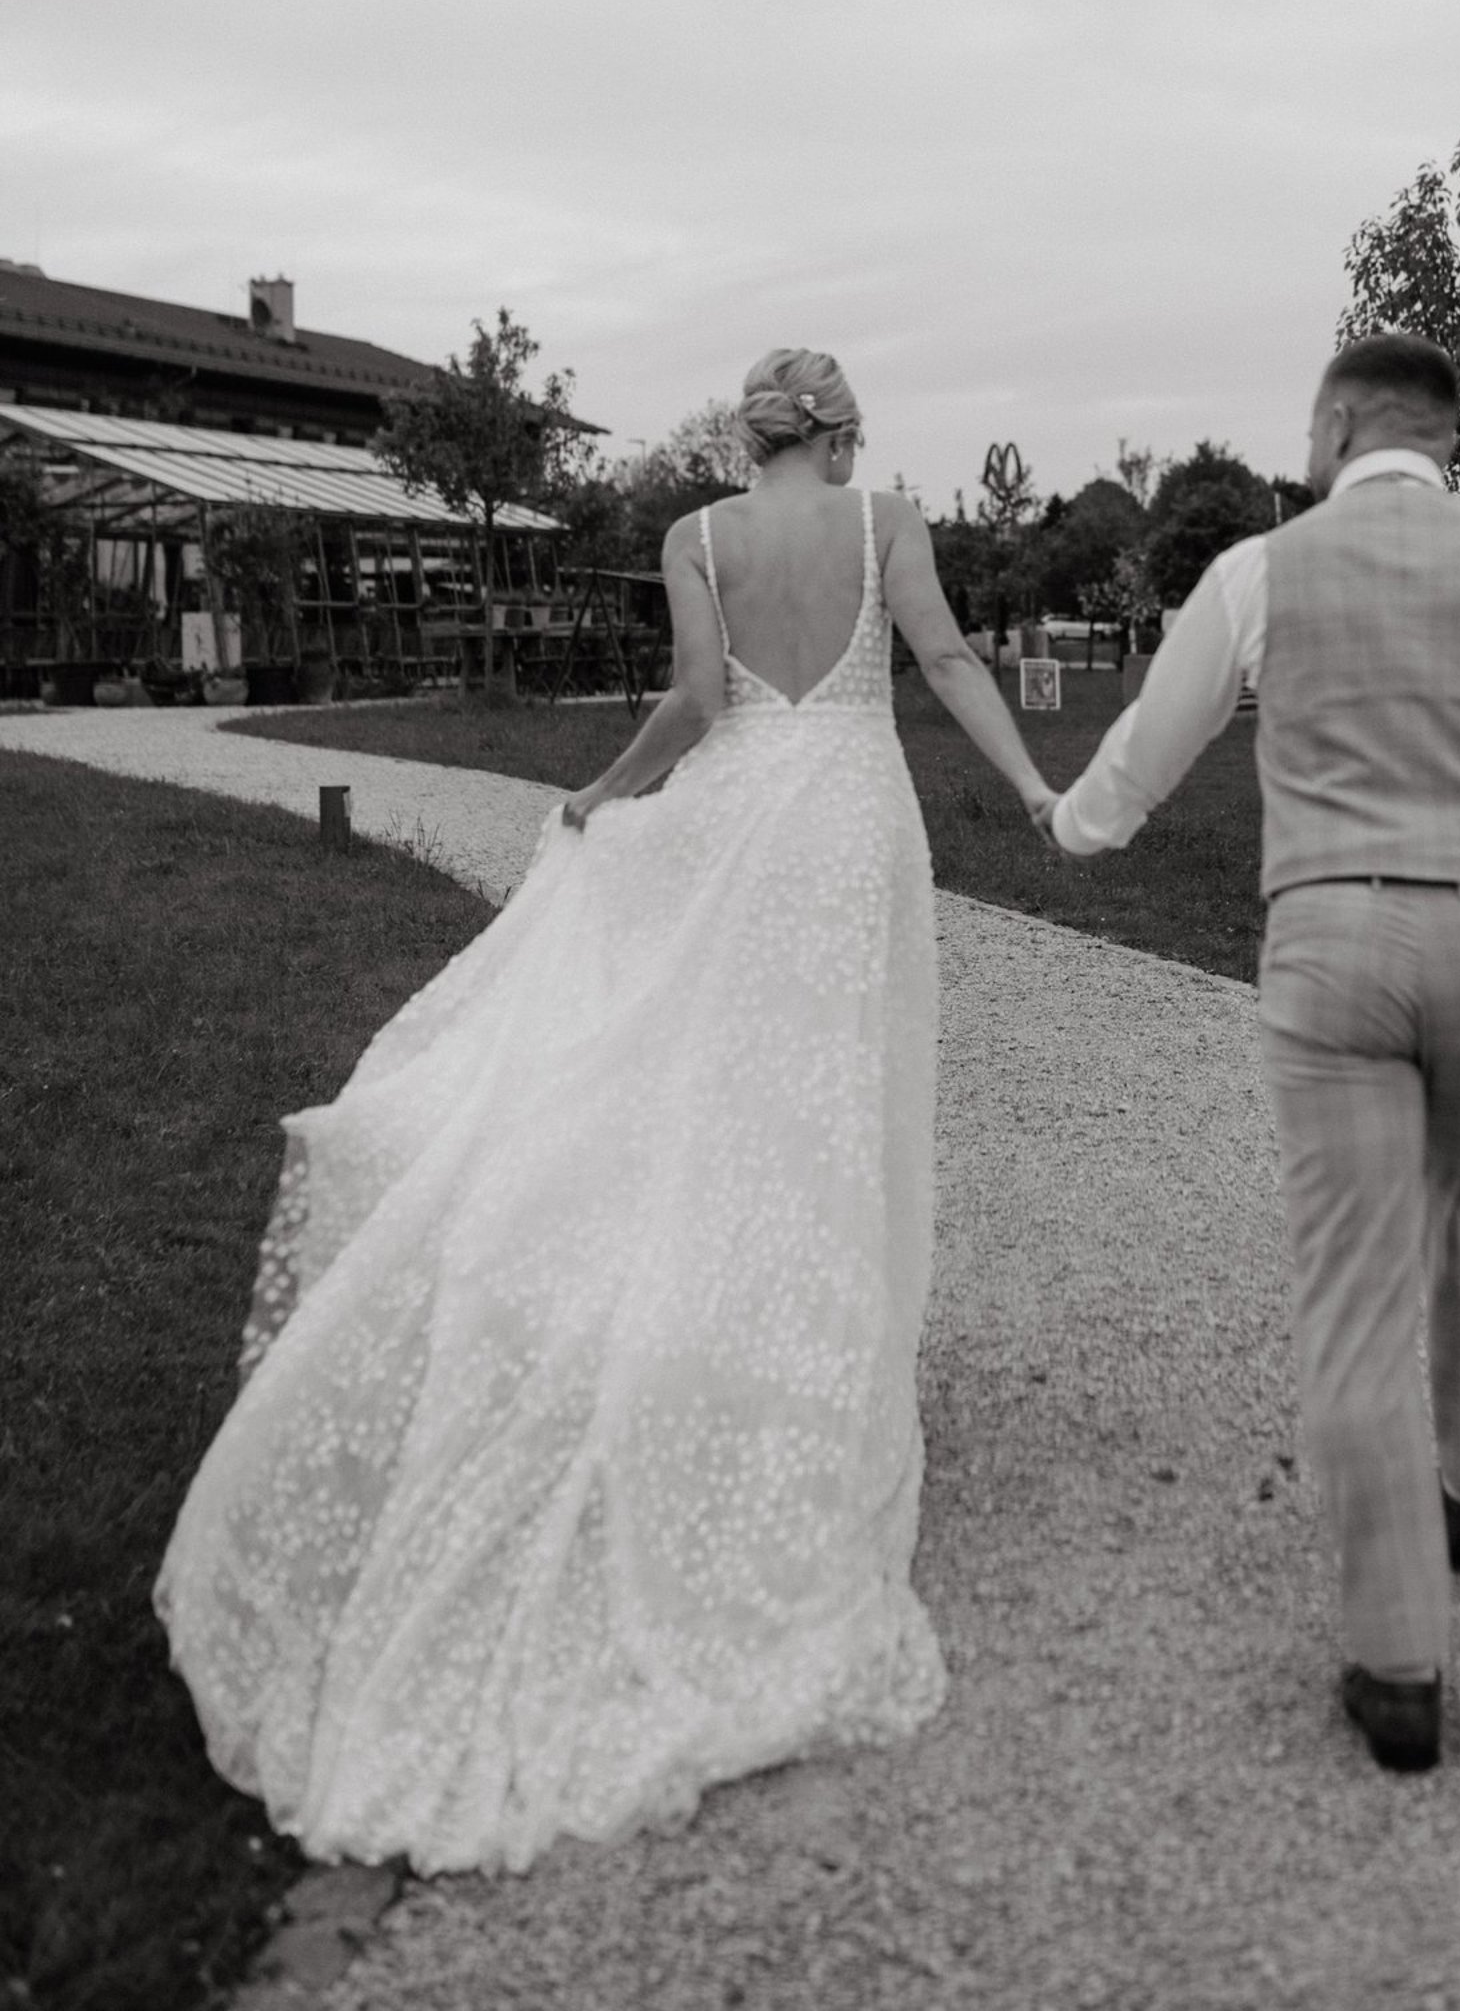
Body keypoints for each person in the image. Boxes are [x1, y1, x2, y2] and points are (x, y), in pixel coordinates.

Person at [158, 347, 1058, 1873]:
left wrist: (603, 792)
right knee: (831, 1096)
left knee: (722, 1084)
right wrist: (1036, 790)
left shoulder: (691, 539)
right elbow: (953, 666)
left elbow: (699, 705)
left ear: (750, 437)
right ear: (837, 438)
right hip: (848, 827)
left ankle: (713, 1338)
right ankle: (812, 1366)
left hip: (746, 820)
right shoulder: (889, 519)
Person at [1042, 333, 1460, 1775]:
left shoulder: (1263, 571)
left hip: (1331, 951)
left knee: (1350, 1291)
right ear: (1449, 441)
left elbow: (1150, 741)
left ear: (1336, 426)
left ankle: (1399, 1665)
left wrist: (1077, 828)